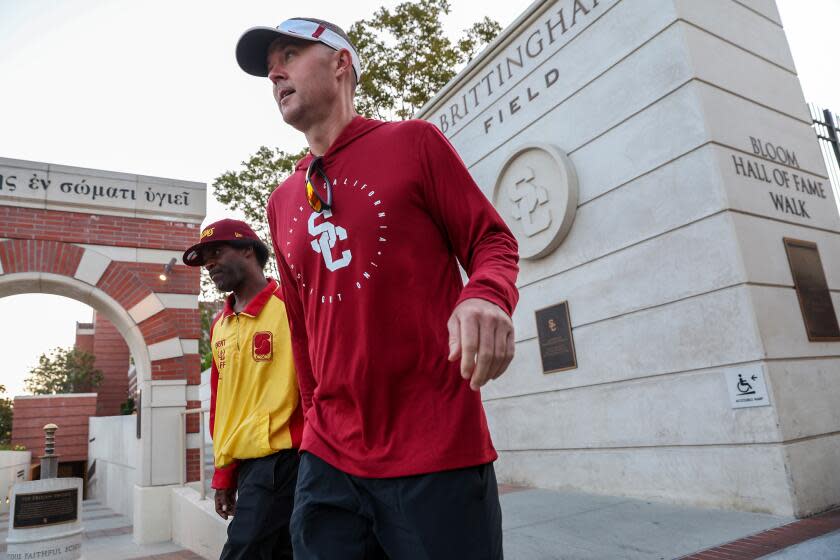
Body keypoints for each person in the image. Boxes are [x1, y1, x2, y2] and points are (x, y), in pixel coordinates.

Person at [236, 17, 519, 559]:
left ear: (341, 63)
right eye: (270, 66)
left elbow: (492, 241)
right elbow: (300, 325)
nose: (275, 73)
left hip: (435, 449)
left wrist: (485, 294)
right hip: (328, 457)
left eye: (290, 54)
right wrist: (316, 411)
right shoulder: (282, 200)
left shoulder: (414, 142)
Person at [182, 218, 303, 560]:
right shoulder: (219, 326)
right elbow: (222, 405)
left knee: (243, 550)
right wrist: (224, 473)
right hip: (249, 468)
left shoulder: (293, 305)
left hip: (289, 458)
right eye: (205, 259)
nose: (209, 264)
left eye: (216, 252)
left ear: (249, 250)